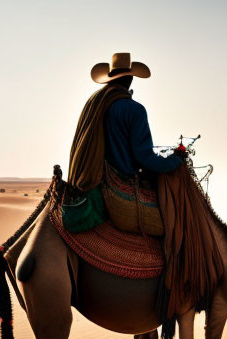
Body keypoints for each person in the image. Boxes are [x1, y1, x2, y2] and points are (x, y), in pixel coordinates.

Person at [64, 53, 181, 232]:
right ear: (131, 78)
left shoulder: (95, 103)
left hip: (92, 175)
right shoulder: (134, 110)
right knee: (176, 220)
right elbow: (144, 156)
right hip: (119, 179)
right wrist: (175, 160)